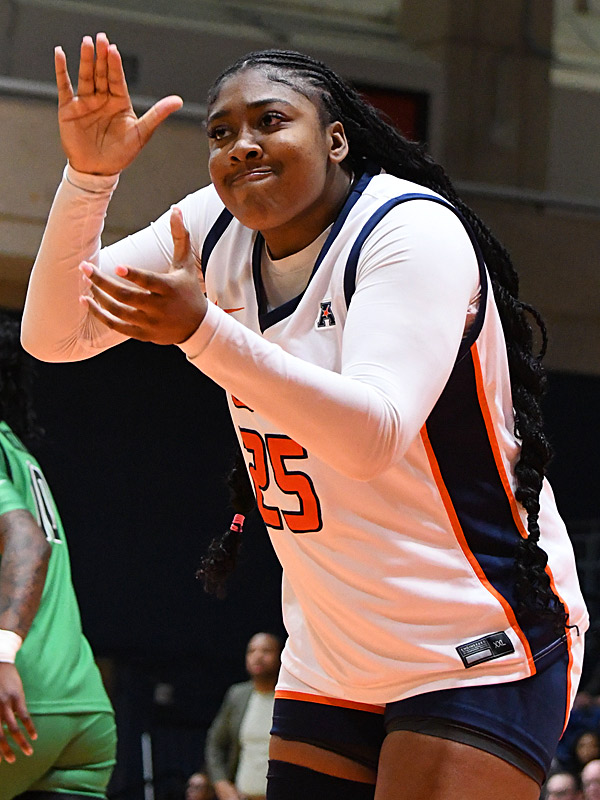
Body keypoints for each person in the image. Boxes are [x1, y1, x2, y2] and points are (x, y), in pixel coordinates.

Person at [21, 32, 589, 800]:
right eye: (222, 133)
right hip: (332, 649)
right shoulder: (212, 227)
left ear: (337, 138)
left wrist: (202, 333)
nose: (243, 146)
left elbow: (372, 436)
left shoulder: (408, 232)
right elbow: (55, 336)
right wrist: (89, 180)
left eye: (270, 121)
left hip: (472, 633)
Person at [0, 310, 116, 800]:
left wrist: (3, 655)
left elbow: (27, 542)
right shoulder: (18, 452)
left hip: (19, 701)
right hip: (82, 712)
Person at [205, 632, 282, 800]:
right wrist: (221, 783)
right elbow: (215, 743)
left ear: (281, 656)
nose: (258, 656)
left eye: (266, 651)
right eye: (252, 651)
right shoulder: (237, 695)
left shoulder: (291, 698)